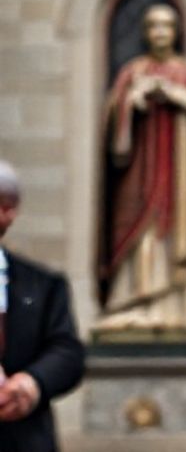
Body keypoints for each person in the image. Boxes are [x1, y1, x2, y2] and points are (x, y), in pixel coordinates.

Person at [97, 3, 186, 331]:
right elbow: (113, 130)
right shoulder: (132, 73)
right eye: (154, 27)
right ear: (145, 33)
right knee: (137, 235)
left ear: (176, 32)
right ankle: (133, 303)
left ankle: (176, 311)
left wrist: (175, 95)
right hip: (140, 176)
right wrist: (132, 102)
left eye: (167, 27)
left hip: (181, 183)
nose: (160, 33)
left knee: (174, 238)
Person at [0, 161, 86, 452]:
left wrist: (31, 384)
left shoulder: (43, 285)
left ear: (7, 210)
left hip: (21, 439)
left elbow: (67, 351)